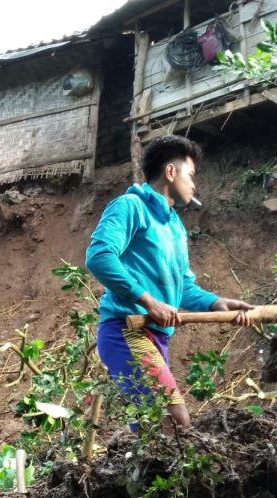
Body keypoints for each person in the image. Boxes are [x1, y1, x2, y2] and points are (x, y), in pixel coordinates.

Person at [85, 135, 252, 431]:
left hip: (156, 336)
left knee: (153, 427)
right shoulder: (129, 207)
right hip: (127, 330)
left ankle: (138, 476)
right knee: (172, 420)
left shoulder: (174, 226)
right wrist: (148, 301)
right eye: (191, 174)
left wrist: (216, 303)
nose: (194, 183)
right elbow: (99, 256)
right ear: (170, 172)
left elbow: (183, 286)